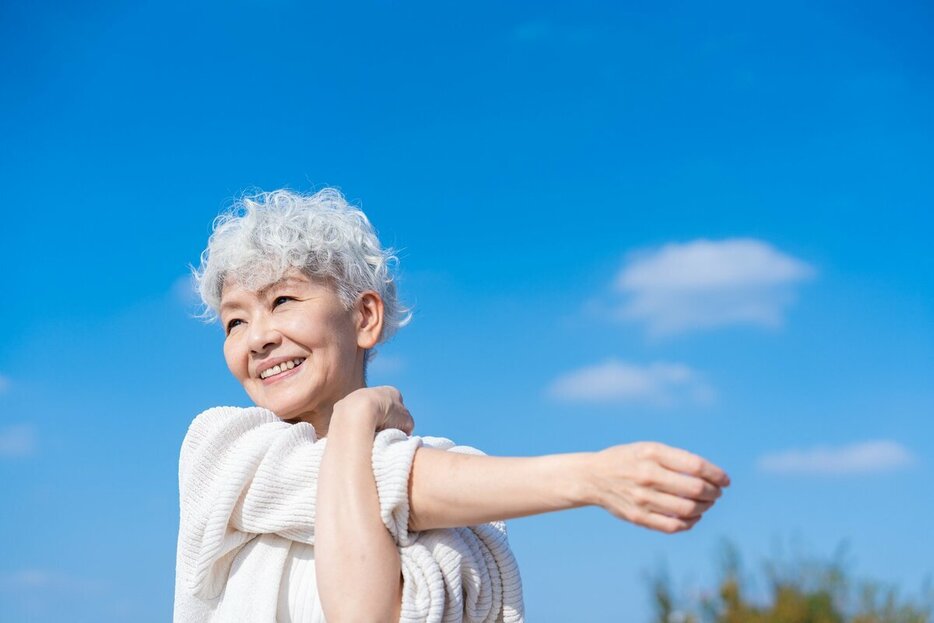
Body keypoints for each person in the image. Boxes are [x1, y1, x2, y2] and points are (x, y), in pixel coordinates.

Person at [173, 188, 730, 623]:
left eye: (283, 300)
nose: (257, 338)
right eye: (235, 320)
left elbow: (367, 614)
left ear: (364, 317)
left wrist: (351, 422)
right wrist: (590, 477)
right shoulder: (222, 452)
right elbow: (379, 485)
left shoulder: (469, 501)